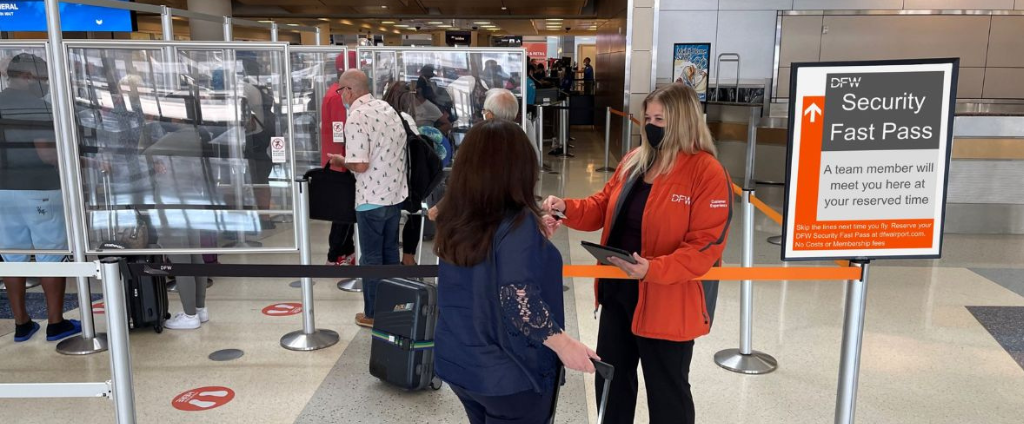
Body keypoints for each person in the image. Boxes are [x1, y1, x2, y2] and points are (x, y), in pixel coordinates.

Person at [542, 84, 731, 424]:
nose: (651, 126)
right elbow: (602, 205)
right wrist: (565, 208)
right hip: (619, 292)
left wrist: (652, 270)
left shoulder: (706, 172)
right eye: (648, 118)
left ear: (684, 121)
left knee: (667, 391)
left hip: (668, 299)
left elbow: (705, 246)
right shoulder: (635, 160)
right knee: (612, 382)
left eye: (660, 118)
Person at [433, 120, 599, 424]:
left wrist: (534, 245)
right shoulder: (517, 222)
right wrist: (566, 346)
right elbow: (519, 303)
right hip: (507, 373)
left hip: (458, 360)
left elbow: (484, 268)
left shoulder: (455, 213)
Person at [0, 53, 82, 342]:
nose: (46, 85)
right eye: (43, 79)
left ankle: (22, 324)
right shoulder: (37, 108)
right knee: (50, 255)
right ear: (27, 77)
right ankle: (56, 323)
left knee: (12, 257)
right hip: (39, 191)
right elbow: (47, 155)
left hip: (2, 193)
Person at [328, 70, 408, 328]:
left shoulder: (357, 116)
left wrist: (341, 161)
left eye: (341, 91)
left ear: (349, 91)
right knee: (390, 256)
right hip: (394, 195)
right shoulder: (386, 108)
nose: (340, 96)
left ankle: (373, 314)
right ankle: (394, 309)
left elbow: (360, 165)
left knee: (371, 259)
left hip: (371, 199)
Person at [321, 54, 356, 266]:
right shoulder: (337, 97)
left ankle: (347, 250)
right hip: (340, 163)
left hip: (341, 161)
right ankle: (335, 255)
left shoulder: (335, 93)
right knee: (343, 214)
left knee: (346, 213)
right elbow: (341, 131)